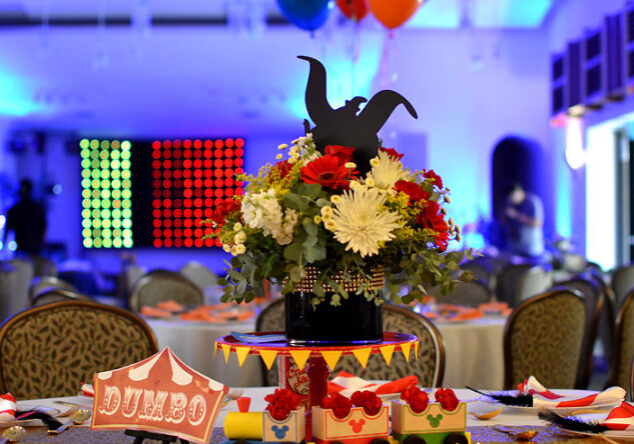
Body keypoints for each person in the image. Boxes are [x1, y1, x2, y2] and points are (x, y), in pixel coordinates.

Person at [2, 179, 47, 256]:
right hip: (24, 249)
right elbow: (7, 228)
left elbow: (43, 226)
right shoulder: (15, 209)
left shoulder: (36, 208)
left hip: (33, 249)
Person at [501, 183, 544, 258]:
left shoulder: (532, 202)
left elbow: (538, 223)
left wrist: (516, 215)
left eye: (512, 196)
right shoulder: (510, 204)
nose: (511, 199)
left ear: (519, 191)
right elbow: (504, 224)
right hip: (516, 249)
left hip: (531, 250)